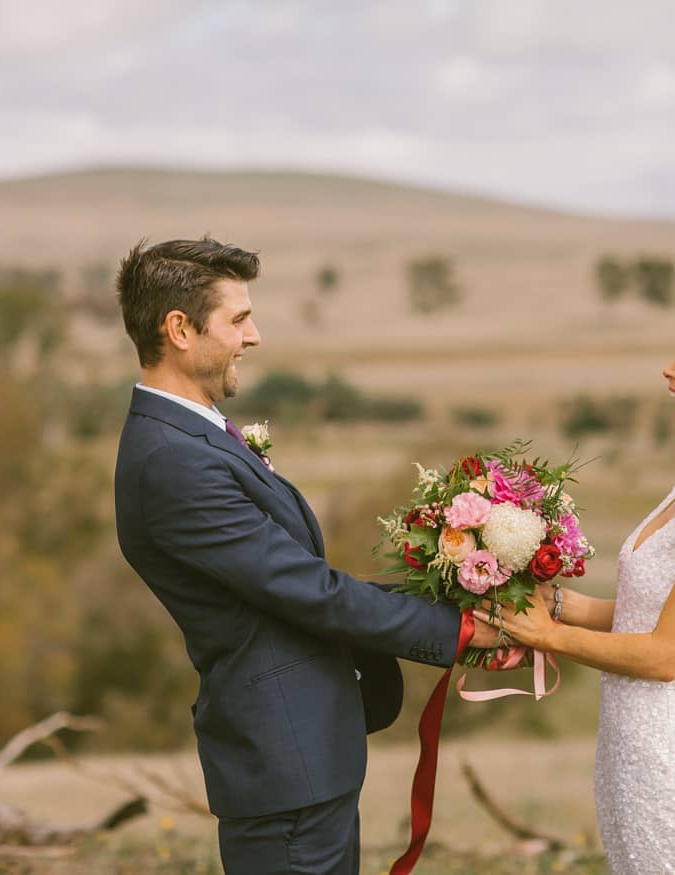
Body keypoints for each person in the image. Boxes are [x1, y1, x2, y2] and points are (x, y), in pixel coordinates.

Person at [112, 236, 495, 875]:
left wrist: (457, 596)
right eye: (238, 319)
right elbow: (306, 591)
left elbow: (295, 582)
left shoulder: (189, 436)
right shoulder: (172, 462)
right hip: (282, 767)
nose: (254, 336)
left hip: (304, 759)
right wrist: (459, 630)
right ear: (179, 329)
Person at [476, 289, 675, 873]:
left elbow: (664, 654)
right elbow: (652, 611)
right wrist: (561, 605)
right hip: (635, 755)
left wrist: (545, 637)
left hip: (674, 761)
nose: (669, 371)